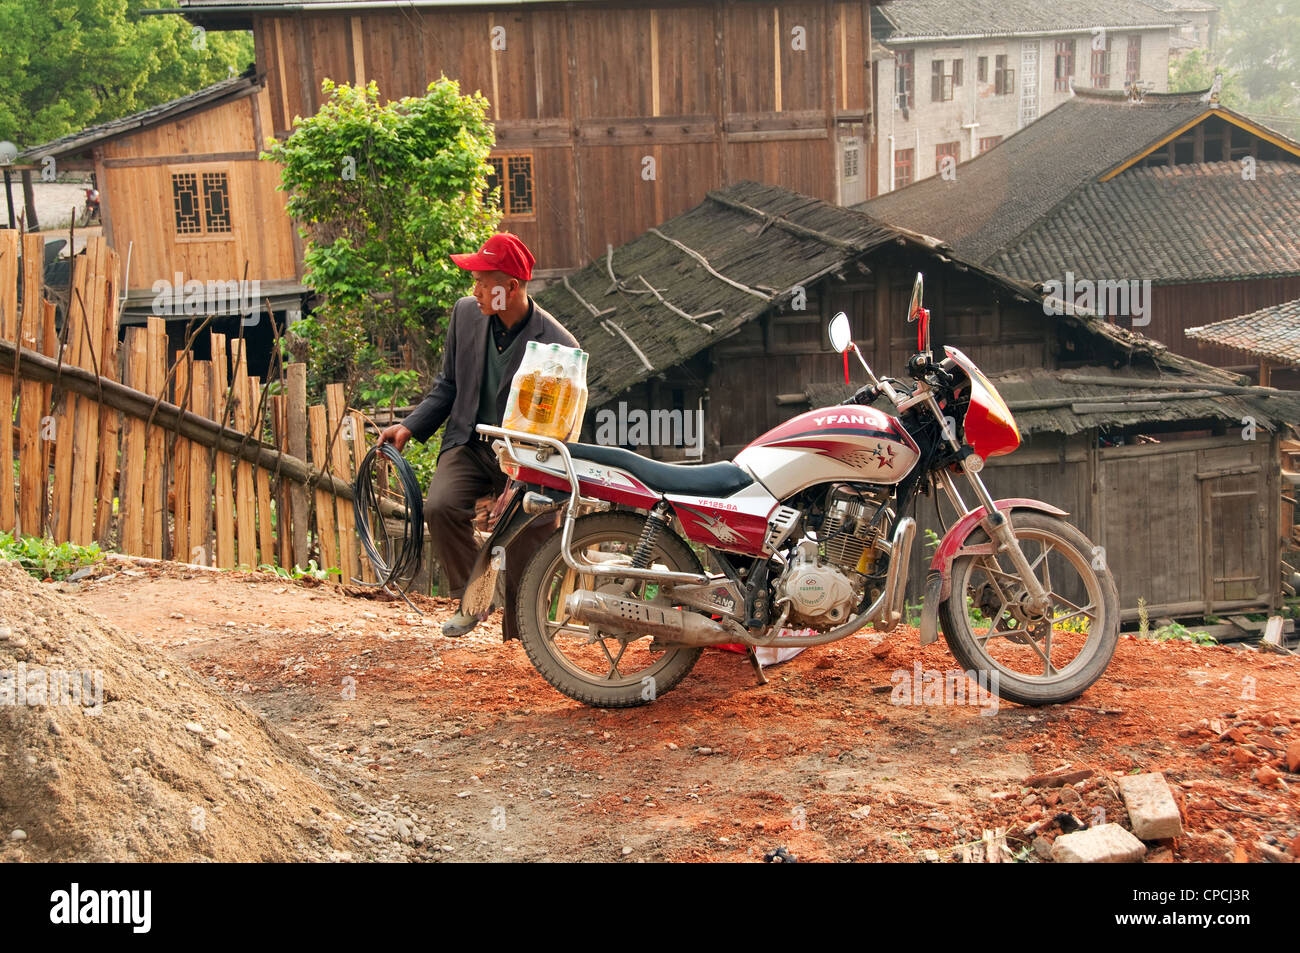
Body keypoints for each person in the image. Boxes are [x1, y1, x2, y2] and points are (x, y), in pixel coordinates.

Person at [378, 233, 579, 638]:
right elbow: (447, 384)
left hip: (526, 457)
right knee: (440, 506)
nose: (476, 291)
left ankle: (521, 635)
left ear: (511, 288)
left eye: (484, 283)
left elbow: (560, 429)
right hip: (470, 442)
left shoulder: (558, 345)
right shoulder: (465, 315)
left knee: (529, 534)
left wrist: (524, 481)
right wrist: (409, 425)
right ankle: (473, 598)